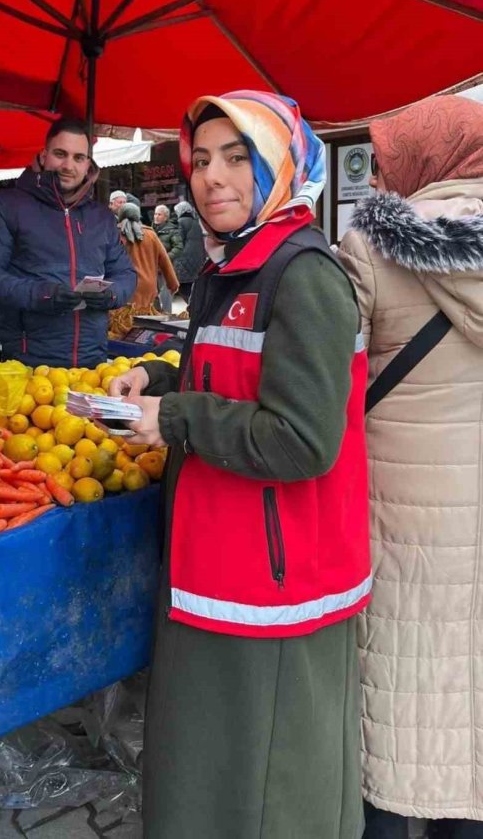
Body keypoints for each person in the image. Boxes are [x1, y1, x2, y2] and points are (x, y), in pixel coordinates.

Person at [109, 90, 370, 839]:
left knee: (269, 788)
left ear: (279, 166)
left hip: (276, 577)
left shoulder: (304, 275)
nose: (212, 177)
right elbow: (227, 376)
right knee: (211, 771)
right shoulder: (229, 265)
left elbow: (303, 439)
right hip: (219, 555)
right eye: (201, 160)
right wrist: (158, 379)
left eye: (237, 157)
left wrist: (176, 419)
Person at [337, 95, 483, 839]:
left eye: (386, 159)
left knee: (397, 693)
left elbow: (331, 374)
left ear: (426, 157)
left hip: (399, 513)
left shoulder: (370, 245)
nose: (378, 173)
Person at [0, 117, 136, 368]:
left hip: (92, 363)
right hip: (29, 362)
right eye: (60, 154)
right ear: (44, 156)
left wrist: (112, 294)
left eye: (78, 157)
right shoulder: (6, 205)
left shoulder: (101, 217)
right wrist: (39, 294)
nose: (68, 165)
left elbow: (126, 274)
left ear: (88, 164)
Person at [115, 202, 179, 312]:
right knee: (147, 318)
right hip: (148, 286)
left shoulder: (115, 234)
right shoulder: (150, 234)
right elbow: (164, 260)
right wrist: (173, 284)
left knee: (125, 319)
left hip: (125, 287)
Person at [173, 199, 206, 302]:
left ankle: (191, 306)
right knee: (193, 285)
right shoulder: (197, 223)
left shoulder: (180, 222)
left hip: (184, 260)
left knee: (183, 286)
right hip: (199, 259)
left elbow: (178, 241)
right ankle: (195, 304)